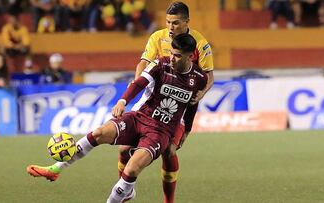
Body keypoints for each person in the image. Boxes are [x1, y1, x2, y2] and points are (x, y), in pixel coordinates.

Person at [26, 33, 208, 203]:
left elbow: (192, 105)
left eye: (177, 56)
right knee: (98, 133)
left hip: (161, 131)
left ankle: (124, 192)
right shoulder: (161, 64)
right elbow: (138, 84)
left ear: (190, 56)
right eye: (172, 53)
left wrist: (187, 130)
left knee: (131, 170)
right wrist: (123, 101)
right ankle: (57, 168)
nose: (172, 58)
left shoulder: (199, 78)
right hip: (139, 117)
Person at [120, 2, 214, 203]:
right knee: (123, 148)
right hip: (153, 101)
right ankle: (123, 189)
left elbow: (209, 76)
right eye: (168, 22)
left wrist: (201, 93)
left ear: (187, 22)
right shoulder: (157, 37)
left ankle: (168, 200)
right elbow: (144, 62)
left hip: (178, 108)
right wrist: (139, 81)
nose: (171, 27)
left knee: (169, 150)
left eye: (176, 23)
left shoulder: (200, 43)